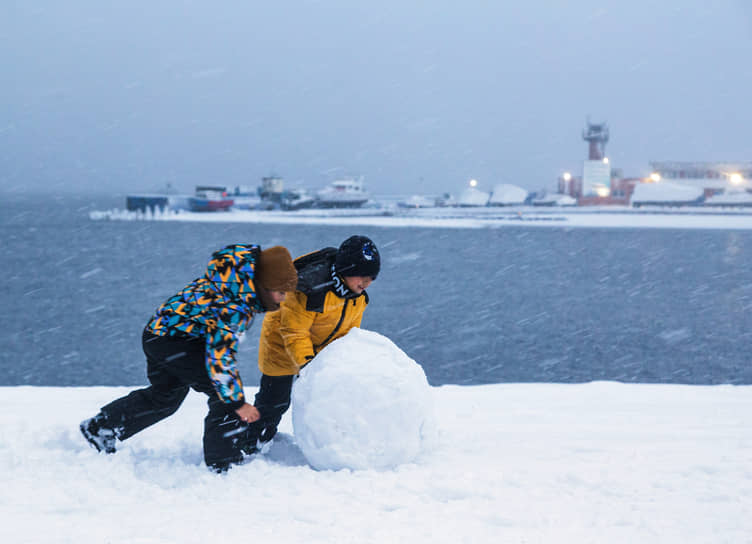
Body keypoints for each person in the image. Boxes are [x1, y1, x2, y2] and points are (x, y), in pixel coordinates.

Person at [79, 244, 298, 472]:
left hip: (159, 334)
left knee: (164, 397)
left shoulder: (234, 279)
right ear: (264, 285)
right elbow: (220, 358)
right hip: (174, 341)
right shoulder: (235, 304)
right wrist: (237, 403)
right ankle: (222, 463)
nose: (283, 300)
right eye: (280, 293)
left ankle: (101, 426)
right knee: (224, 396)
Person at [243, 235, 380, 450]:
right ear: (345, 270)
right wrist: (308, 366)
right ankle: (252, 442)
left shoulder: (358, 298)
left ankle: (330, 445)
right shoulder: (309, 289)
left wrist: (337, 364)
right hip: (281, 343)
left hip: (317, 347)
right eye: (361, 276)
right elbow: (294, 332)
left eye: (371, 278)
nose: (366, 283)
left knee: (328, 397)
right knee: (275, 401)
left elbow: (348, 334)